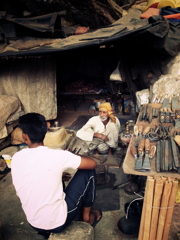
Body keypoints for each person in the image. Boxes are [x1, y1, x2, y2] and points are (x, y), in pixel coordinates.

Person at [11, 113, 102, 239]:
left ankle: (44, 232)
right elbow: (92, 164)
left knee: (58, 178)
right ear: (45, 132)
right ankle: (87, 217)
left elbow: (35, 175)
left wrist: (56, 174)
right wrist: (72, 157)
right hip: (57, 223)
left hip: (33, 222)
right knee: (88, 172)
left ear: (25, 136)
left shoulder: (16, 158)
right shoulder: (57, 156)